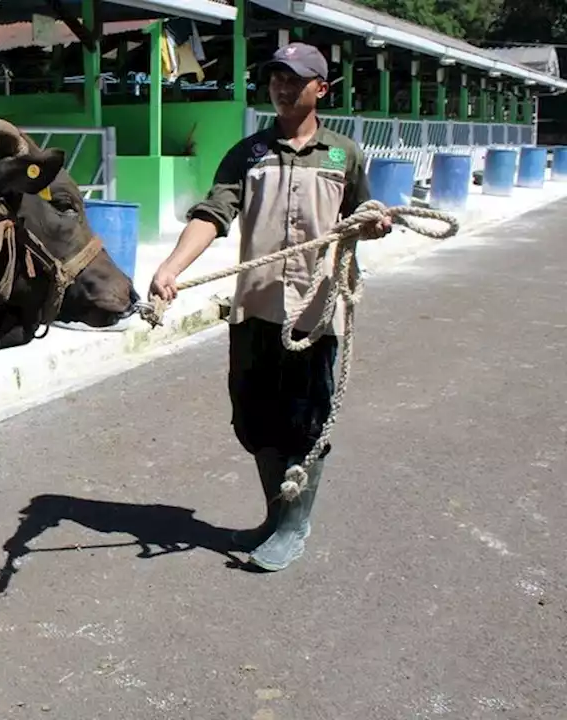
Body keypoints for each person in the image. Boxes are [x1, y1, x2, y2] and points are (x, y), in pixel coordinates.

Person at [148, 42, 392, 572]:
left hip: (316, 316)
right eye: (276, 77)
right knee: (255, 419)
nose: (282, 87)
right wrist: (172, 267)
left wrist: (372, 225)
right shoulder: (248, 153)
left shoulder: (342, 154)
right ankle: (278, 514)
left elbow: (361, 218)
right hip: (256, 309)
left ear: (320, 89)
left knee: (305, 424)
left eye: (295, 79)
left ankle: (294, 525)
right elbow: (213, 214)